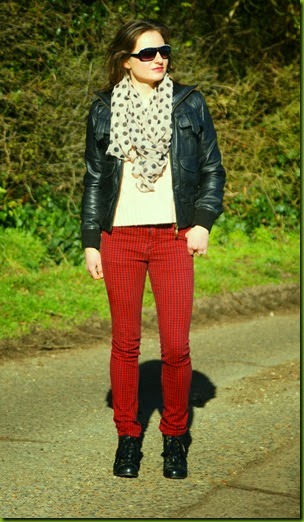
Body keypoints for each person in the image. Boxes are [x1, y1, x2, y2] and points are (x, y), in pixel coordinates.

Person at [81, 18, 226, 479]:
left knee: (177, 346)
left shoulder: (189, 102)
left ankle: (174, 437)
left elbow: (212, 169)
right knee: (125, 344)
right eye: (147, 53)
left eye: (163, 50)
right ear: (127, 60)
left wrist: (202, 222)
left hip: (172, 237)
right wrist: (90, 240)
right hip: (119, 237)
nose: (159, 58)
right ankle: (128, 438)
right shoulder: (103, 108)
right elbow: (95, 177)